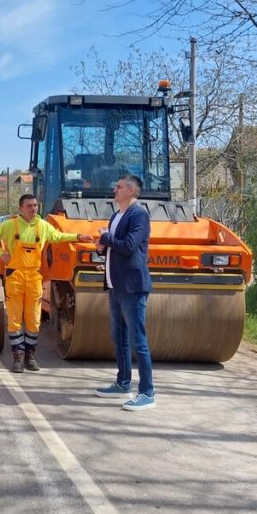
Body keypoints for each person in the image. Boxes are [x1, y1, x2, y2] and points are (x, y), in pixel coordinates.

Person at [0, 194, 93, 372]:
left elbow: (58, 237)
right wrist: (1, 254)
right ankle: (18, 357)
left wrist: (78, 237)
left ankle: (30, 356)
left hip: (34, 277)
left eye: (35, 205)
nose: (33, 209)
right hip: (15, 277)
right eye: (29, 206)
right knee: (14, 319)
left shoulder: (42, 226)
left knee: (34, 319)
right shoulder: (10, 225)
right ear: (21, 208)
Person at [94, 174, 155, 410]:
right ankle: (123, 383)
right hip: (115, 286)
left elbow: (129, 246)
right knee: (119, 338)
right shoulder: (115, 215)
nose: (114, 189)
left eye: (118, 187)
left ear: (131, 191)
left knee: (138, 341)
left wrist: (106, 237)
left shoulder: (139, 215)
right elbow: (113, 248)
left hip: (132, 286)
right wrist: (101, 247)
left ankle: (147, 393)